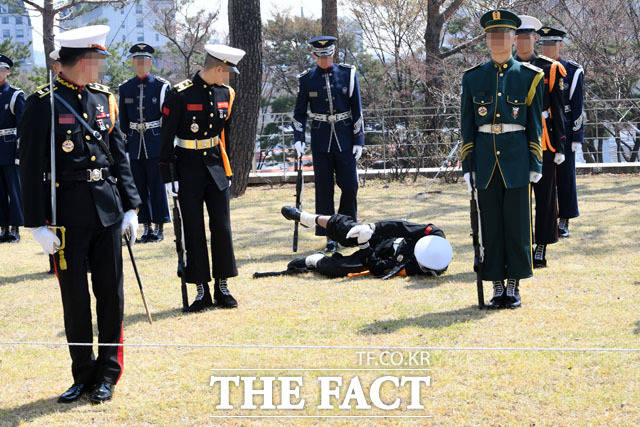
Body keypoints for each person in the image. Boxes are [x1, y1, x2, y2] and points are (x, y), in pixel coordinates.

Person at [19, 25, 141, 404]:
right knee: (75, 300)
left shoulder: (105, 99)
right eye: (97, 60)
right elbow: (29, 167)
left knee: (110, 296)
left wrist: (131, 207)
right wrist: (37, 223)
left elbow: (119, 156)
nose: (102, 67)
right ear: (79, 62)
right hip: (65, 214)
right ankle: (82, 373)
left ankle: (107, 373)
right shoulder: (43, 103)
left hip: (107, 210)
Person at [461, 10, 544, 309]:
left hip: (518, 159)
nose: (498, 41)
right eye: (493, 36)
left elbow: (535, 124)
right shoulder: (473, 78)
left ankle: (514, 284)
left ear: (513, 39)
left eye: (504, 35)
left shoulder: (530, 76)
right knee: (491, 226)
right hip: (484, 161)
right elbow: (467, 124)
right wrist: (467, 165)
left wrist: (536, 163)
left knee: (518, 225)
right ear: (486, 40)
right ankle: (496, 284)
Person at [159, 44, 245, 312]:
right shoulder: (180, 94)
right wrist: (168, 176)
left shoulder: (226, 93)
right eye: (227, 71)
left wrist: (228, 170)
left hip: (216, 166)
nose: (229, 77)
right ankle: (200, 289)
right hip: (187, 167)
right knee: (192, 229)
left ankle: (222, 285)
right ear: (218, 68)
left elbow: (225, 136)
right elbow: (165, 138)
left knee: (222, 226)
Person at [292, 35, 365, 253]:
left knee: (350, 186)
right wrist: (298, 138)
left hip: (344, 138)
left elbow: (357, 109)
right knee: (324, 189)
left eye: (328, 56)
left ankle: (348, 229)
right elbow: (299, 113)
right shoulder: (306, 79)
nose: (324, 61)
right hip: (321, 139)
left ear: (333, 53)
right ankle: (330, 235)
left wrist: (359, 138)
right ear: (313, 55)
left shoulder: (348, 73)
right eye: (320, 56)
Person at [515, 15, 567, 268]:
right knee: (516, 199)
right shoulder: (505, 67)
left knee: (545, 197)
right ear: (513, 40)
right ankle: (522, 244)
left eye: (527, 37)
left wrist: (561, 145)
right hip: (514, 140)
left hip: (544, 141)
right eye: (518, 37)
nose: (523, 42)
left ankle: (541, 246)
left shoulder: (550, 68)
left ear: (535, 38)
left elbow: (558, 109)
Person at [279, 206, 452, 279]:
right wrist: (371, 227)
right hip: (385, 238)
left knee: (343, 268)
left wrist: (364, 246)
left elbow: (379, 268)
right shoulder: (433, 233)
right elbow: (400, 226)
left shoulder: (416, 268)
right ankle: (307, 218)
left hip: (379, 253)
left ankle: (314, 260)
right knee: (351, 229)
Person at [118, 43, 171, 243]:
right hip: (134, 144)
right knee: (139, 187)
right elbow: (123, 119)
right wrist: (125, 145)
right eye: (137, 61)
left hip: (154, 141)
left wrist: (166, 145)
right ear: (133, 63)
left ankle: (159, 227)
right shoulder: (125, 87)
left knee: (157, 187)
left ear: (150, 63)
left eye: (144, 61)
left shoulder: (161, 86)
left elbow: (167, 118)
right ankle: (145, 226)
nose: (141, 65)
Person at [539, 26, 583, 238]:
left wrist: (577, 136)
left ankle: (564, 218)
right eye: (544, 44)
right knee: (546, 177)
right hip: (544, 127)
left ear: (560, 45)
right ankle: (547, 220)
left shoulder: (573, 71)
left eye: (551, 44)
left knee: (565, 175)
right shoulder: (538, 67)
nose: (547, 48)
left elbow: (577, 106)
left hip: (564, 126)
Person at [0, 54, 25, 243]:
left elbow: (22, 127)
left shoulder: (16, 95)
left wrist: (19, 154)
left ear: (7, 72)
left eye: (1, 69)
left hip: (10, 149)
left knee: (14, 191)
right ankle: (3, 228)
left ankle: (15, 229)